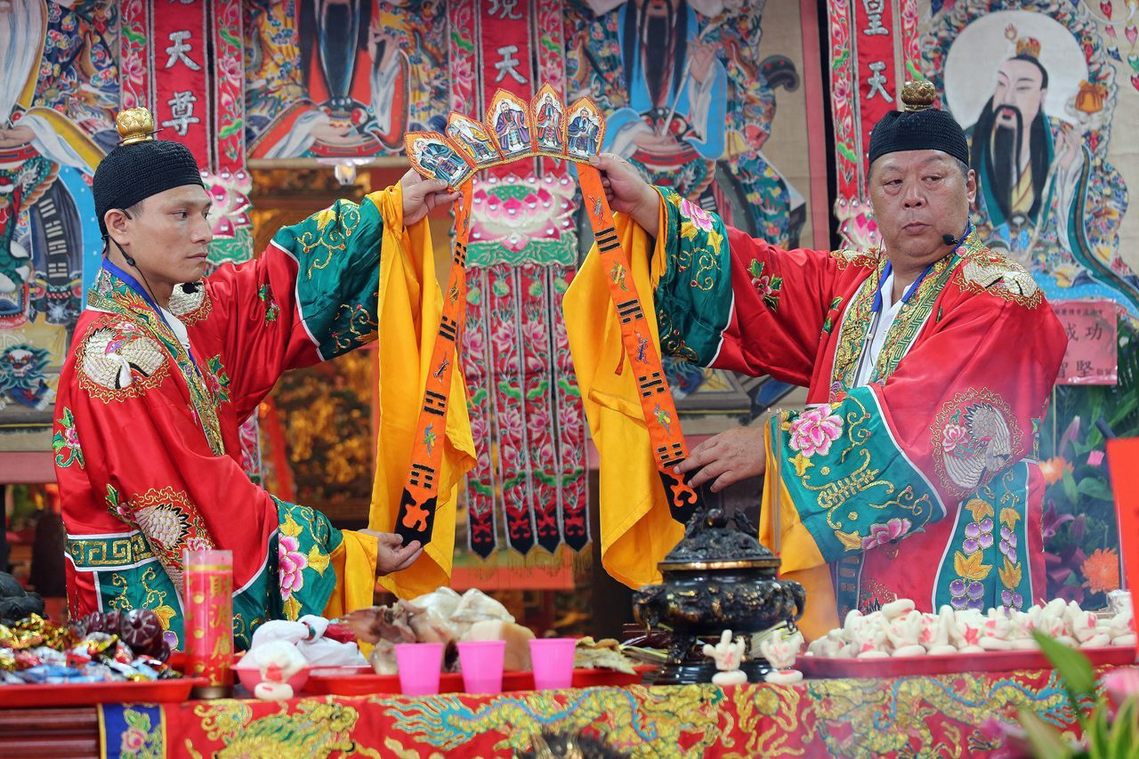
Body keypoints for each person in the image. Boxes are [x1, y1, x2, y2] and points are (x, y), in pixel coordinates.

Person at [590, 81, 1068, 637]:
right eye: (893, 182)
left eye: (934, 178)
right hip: (845, 591)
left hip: (956, 586)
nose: (913, 196)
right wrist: (650, 208)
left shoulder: (1002, 297)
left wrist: (774, 445)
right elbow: (759, 279)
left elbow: (924, 423)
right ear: (872, 197)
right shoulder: (851, 286)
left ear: (971, 187)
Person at [54, 107, 460, 648]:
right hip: (148, 612)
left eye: (204, 212)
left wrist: (386, 213)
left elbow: (270, 291)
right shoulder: (117, 358)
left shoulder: (174, 312)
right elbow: (200, 495)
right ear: (119, 225)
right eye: (180, 215)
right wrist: (343, 549)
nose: (203, 232)